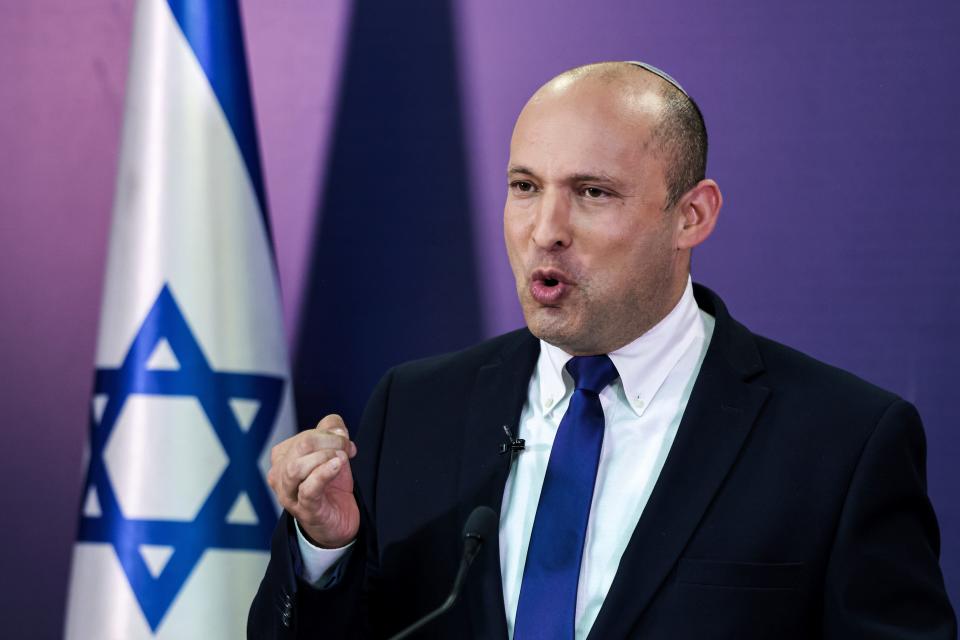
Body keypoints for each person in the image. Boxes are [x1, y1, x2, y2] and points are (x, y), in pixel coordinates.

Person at [248, 62, 956, 639]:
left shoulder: (841, 441)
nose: (545, 229)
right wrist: (325, 549)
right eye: (525, 187)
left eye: (591, 193)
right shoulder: (416, 408)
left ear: (692, 214)